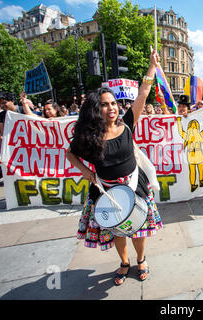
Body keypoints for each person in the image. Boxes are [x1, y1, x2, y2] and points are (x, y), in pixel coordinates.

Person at [66, 48, 162, 286]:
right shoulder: (88, 136)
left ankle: (141, 259)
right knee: (117, 231)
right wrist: (86, 172)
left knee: (138, 229)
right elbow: (70, 154)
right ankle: (124, 262)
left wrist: (152, 66)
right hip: (106, 191)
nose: (112, 108)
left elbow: (143, 93)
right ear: (95, 109)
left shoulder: (128, 124)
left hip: (134, 187)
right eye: (105, 105)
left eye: (113, 103)